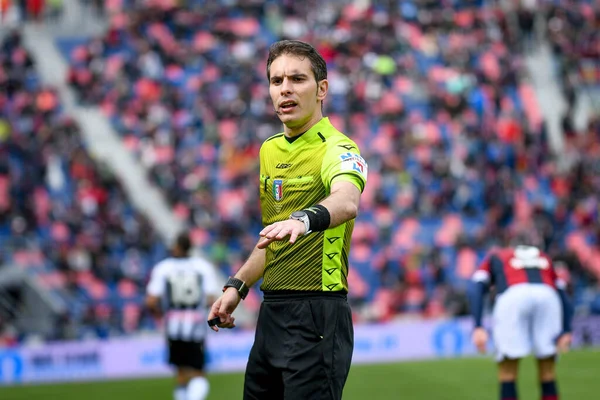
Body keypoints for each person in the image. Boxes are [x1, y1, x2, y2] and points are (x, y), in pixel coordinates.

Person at [207, 39, 368, 400]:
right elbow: (275, 236)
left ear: (322, 89)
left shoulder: (338, 148)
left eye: (297, 79)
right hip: (271, 314)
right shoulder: (269, 150)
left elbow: (347, 201)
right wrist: (238, 285)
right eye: (276, 81)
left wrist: (304, 219)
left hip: (318, 314)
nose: (285, 89)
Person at [467, 244, 574, 400]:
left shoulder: (497, 255)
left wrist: (477, 325)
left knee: (508, 370)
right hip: (547, 295)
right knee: (548, 369)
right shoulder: (543, 256)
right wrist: (566, 329)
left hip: (512, 296)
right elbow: (563, 294)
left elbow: (475, 287)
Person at [146, 231, 220, 400]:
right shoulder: (203, 267)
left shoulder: (163, 268)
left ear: (176, 247)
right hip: (196, 326)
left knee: (180, 374)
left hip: (173, 326)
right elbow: (211, 299)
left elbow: (150, 301)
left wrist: (160, 317)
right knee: (198, 373)